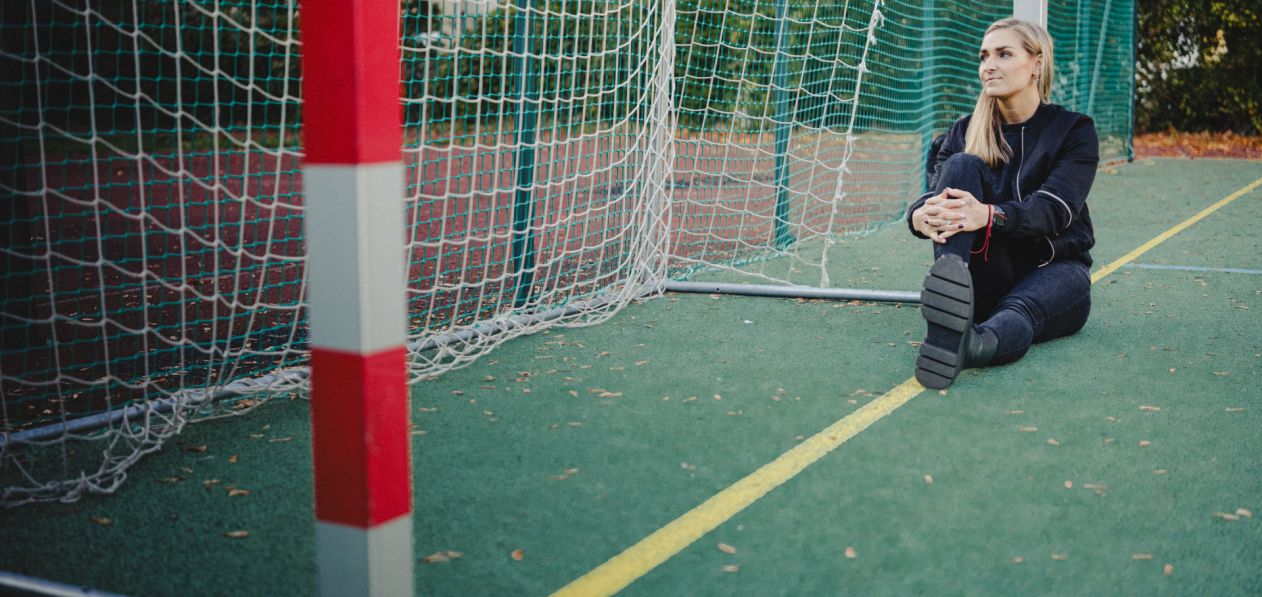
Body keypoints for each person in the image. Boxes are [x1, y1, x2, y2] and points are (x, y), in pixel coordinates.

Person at [906, 18, 1099, 389]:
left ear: (1037, 64)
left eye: (1004, 54)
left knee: (1020, 310)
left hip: (1055, 268)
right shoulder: (964, 131)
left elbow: (1054, 208)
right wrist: (918, 216)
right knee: (962, 164)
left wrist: (989, 215)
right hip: (985, 271)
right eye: (984, 56)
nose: (988, 66)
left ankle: (972, 344)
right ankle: (952, 305)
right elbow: (935, 195)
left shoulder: (1074, 130)